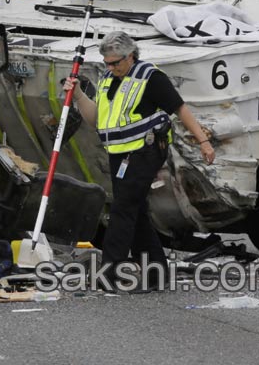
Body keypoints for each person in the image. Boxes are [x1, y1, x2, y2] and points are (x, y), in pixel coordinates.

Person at [63, 31, 214, 290]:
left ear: (131, 56)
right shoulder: (109, 80)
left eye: (115, 63)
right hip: (119, 154)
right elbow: (98, 120)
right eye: (107, 63)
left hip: (146, 151)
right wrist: (77, 95)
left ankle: (109, 275)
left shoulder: (151, 78)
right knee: (135, 212)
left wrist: (203, 141)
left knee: (122, 209)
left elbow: (179, 108)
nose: (111, 68)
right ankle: (156, 273)